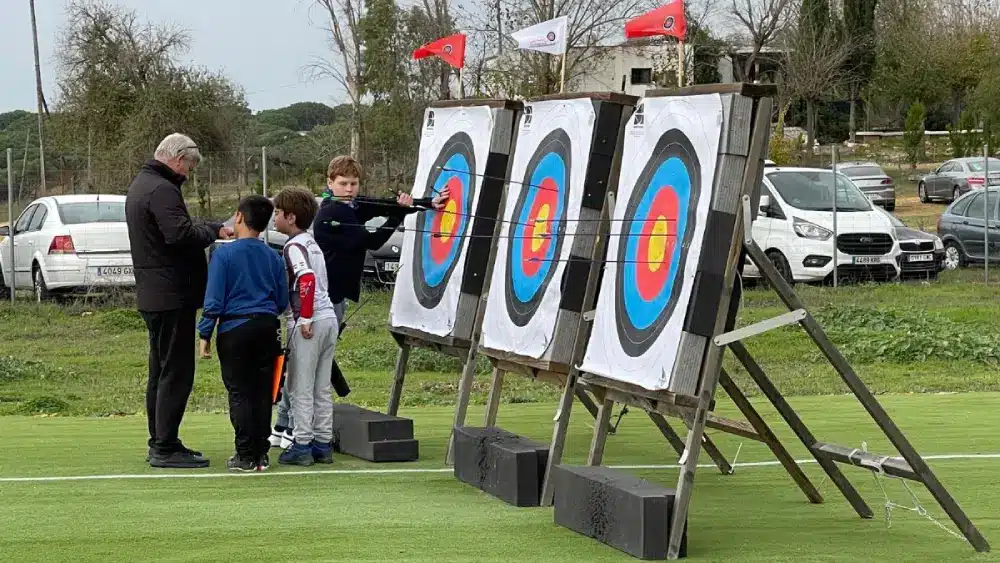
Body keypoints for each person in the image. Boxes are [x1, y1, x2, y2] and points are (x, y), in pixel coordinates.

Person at [268, 155, 449, 449]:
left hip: (333, 296)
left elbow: (378, 205)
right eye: (343, 184)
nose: (350, 189)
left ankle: (283, 425)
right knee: (306, 362)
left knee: (305, 361)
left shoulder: (348, 207)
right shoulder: (331, 214)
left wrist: (425, 202)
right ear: (330, 184)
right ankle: (288, 426)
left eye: (354, 183)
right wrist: (400, 215)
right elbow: (373, 240)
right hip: (325, 299)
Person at [126, 133, 233, 469]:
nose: (188, 173)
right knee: (176, 371)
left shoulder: (143, 184)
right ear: (177, 158)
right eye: (189, 166)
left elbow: (174, 230)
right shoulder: (161, 189)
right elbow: (180, 235)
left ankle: (161, 439)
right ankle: (164, 445)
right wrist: (214, 231)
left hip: (155, 293)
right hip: (171, 294)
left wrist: (207, 227)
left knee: (160, 370)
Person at [197, 195, 287, 472]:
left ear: (238, 217)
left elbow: (214, 299)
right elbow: (282, 299)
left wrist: (205, 333)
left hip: (234, 329)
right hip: (266, 327)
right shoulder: (273, 255)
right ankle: (261, 453)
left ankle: (244, 453)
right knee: (262, 392)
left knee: (239, 392)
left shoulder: (224, 254)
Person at [272, 187, 340, 466]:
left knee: (300, 385)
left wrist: (305, 317)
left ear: (290, 217)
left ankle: (301, 444)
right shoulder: (311, 242)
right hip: (329, 319)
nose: (274, 218)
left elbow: (307, 278)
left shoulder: (293, 246)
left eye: (277, 213)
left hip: (307, 321)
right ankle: (323, 444)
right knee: (322, 386)